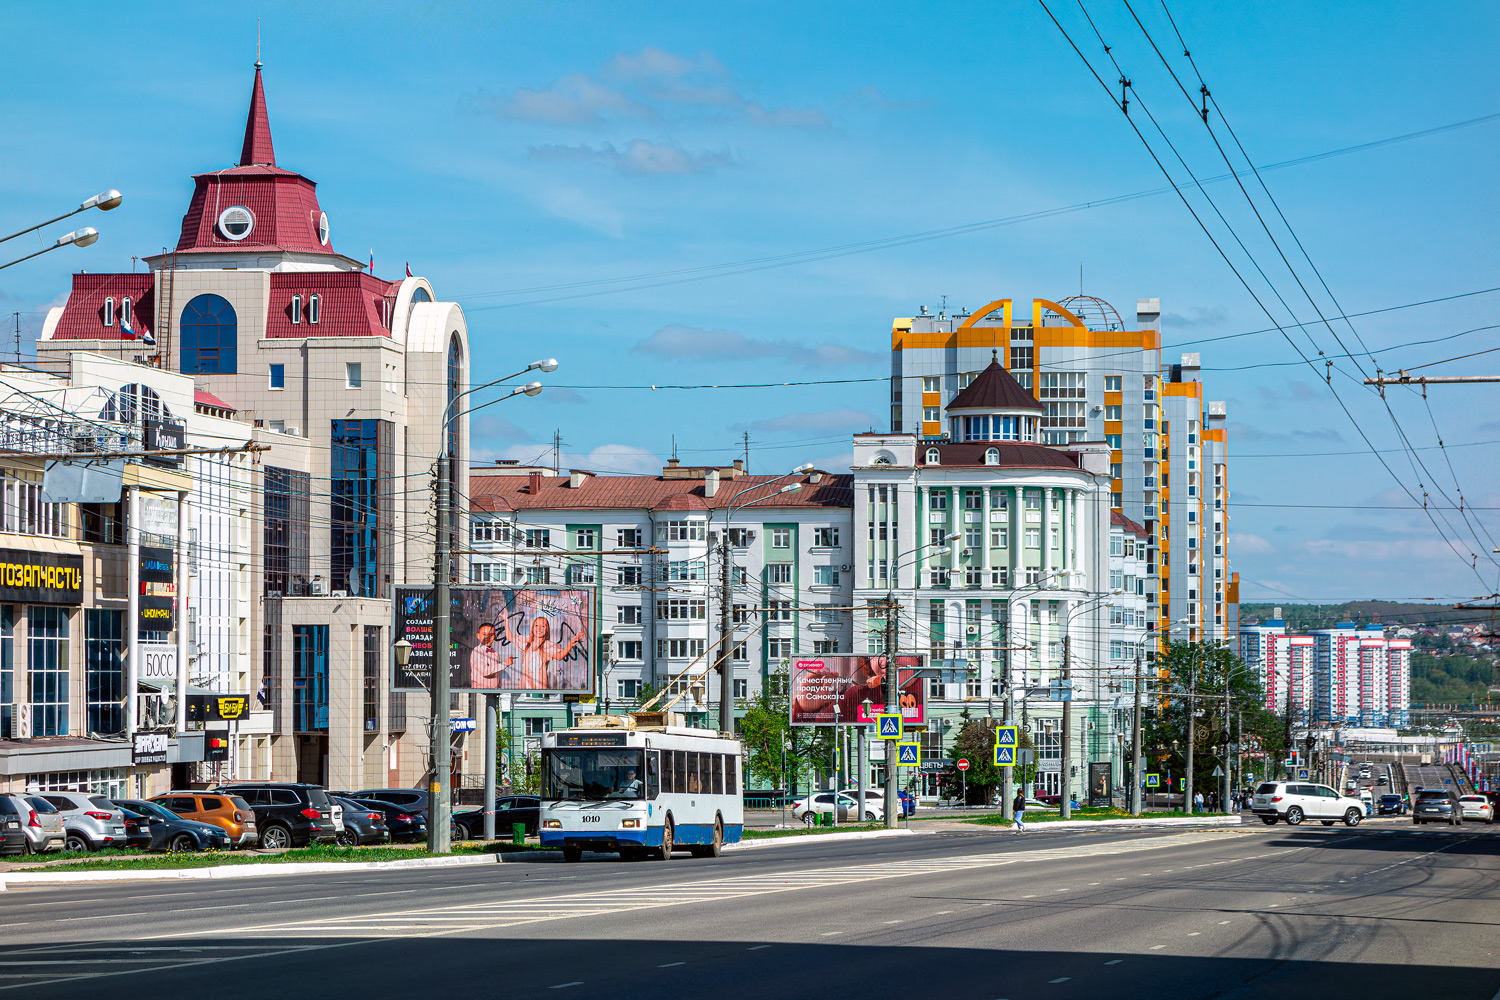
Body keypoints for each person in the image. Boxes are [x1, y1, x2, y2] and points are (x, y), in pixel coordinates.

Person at [469, 622, 503, 687]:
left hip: (494, 692)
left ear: (495, 636)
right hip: (479, 693)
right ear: (478, 636)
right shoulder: (476, 651)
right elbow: (484, 671)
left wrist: (499, 688)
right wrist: (504, 664)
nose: (487, 637)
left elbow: (498, 676)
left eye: (491, 635)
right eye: (484, 634)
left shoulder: (496, 654)